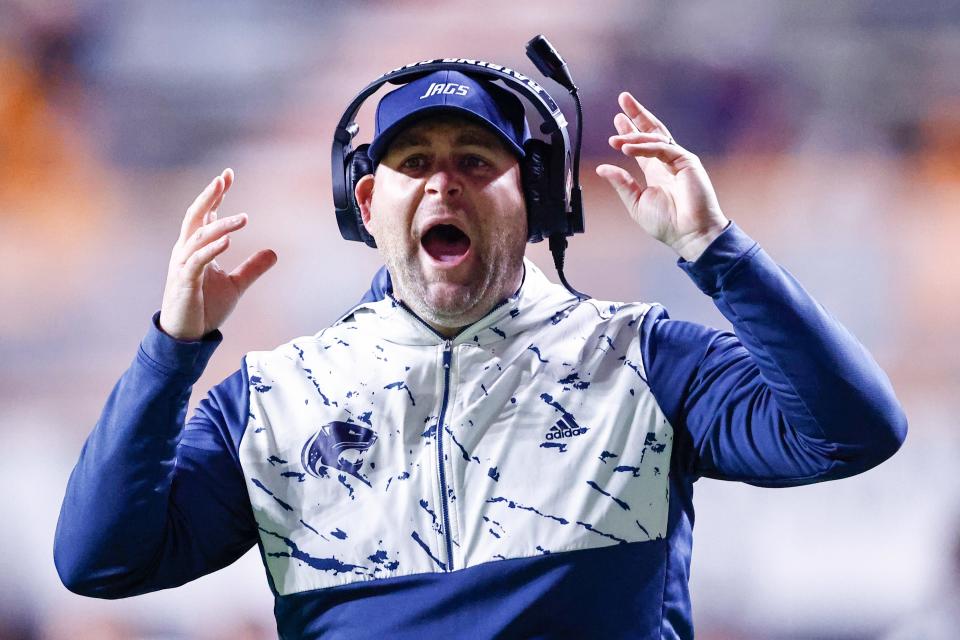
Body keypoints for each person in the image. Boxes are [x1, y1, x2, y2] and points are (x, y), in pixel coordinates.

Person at [54, 67, 907, 639]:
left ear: (532, 198)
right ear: (368, 202)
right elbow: (99, 561)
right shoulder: (274, 398)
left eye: (475, 159)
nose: (442, 181)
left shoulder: (644, 358)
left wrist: (716, 250)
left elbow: (854, 431)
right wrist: (171, 354)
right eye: (412, 161)